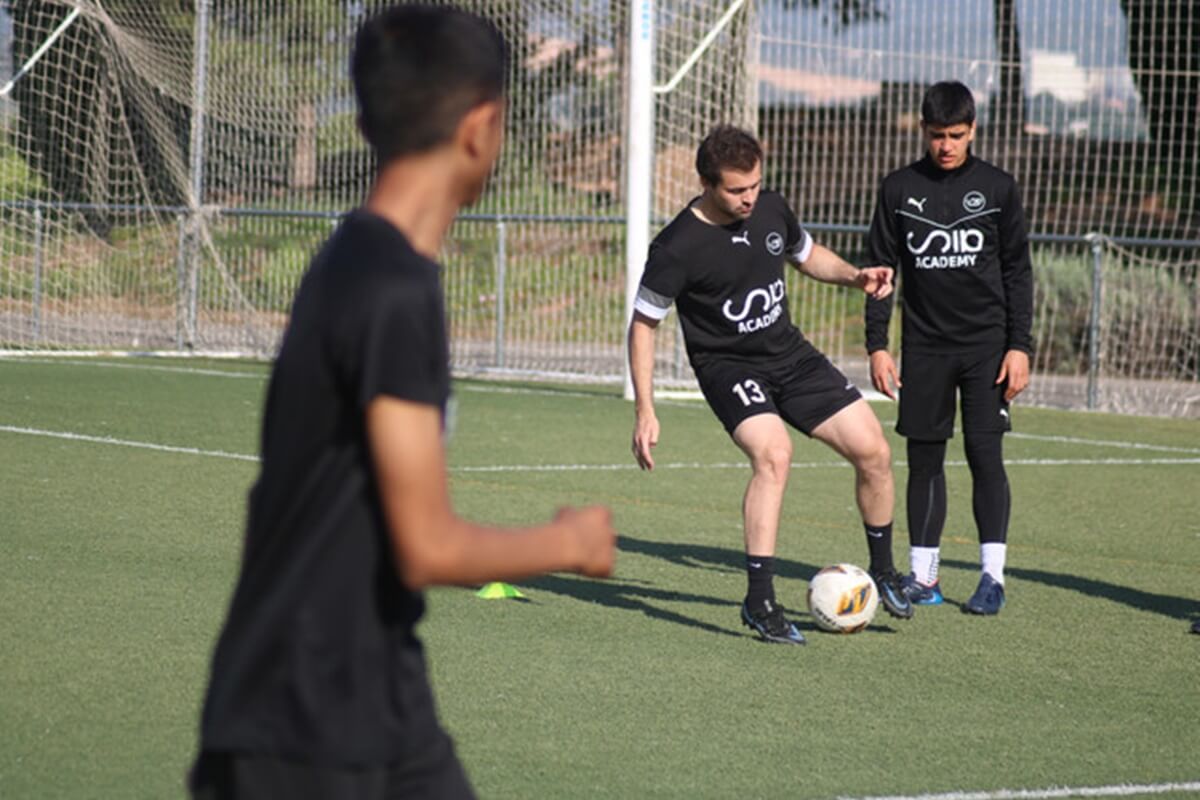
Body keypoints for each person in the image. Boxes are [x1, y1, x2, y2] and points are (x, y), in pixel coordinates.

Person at [189, 7, 616, 799]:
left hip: (368, 695)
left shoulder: (359, 260)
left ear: (362, 120)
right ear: (483, 127)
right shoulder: (391, 289)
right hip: (307, 724)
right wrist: (568, 542)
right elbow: (427, 547)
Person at [629, 125, 913, 646]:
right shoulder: (675, 247)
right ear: (706, 183)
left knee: (874, 449)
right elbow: (643, 325)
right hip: (728, 368)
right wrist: (645, 408)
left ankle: (885, 572)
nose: (749, 198)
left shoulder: (771, 208)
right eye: (737, 190)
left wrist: (855, 277)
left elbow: (807, 256)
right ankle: (759, 601)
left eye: (755, 185)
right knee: (774, 454)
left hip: (790, 356)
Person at [865, 80, 1033, 616]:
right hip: (924, 348)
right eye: (937, 135)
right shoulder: (897, 189)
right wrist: (877, 345)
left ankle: (991, 578)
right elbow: (880, 272)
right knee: (924, 460)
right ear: (923, 130)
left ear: (973, 130)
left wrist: (1019, 346)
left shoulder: (999, 188)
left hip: (986, 349)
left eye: (956, 135)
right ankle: (924, 577)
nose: (946, 145)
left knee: (985, 455)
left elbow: (1017, 273)